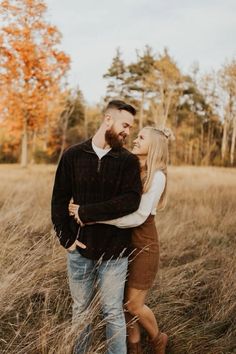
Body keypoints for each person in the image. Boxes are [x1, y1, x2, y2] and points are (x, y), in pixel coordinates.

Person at [51, 100, 142, 354]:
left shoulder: (127, 161)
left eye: (131, 127)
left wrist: (86, 211)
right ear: (108, 119)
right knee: (80, 309)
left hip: (115, 252)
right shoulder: (73, 155)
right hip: (79, 250)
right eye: (125, 125)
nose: (128, 132)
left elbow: (131, 200)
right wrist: (66, 239)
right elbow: (59, 199)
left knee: (112, 310)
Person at [69, 126, 171, 354]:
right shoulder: (131, 167)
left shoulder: (158, 176)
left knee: (134, 304)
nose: (135, 140)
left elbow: (138, 217)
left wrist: (95, 219)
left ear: (153, 145)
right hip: (120, 243)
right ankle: (133, 347)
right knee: (121, 304)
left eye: (141, 137)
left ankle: (158, 338)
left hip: (143, 244)